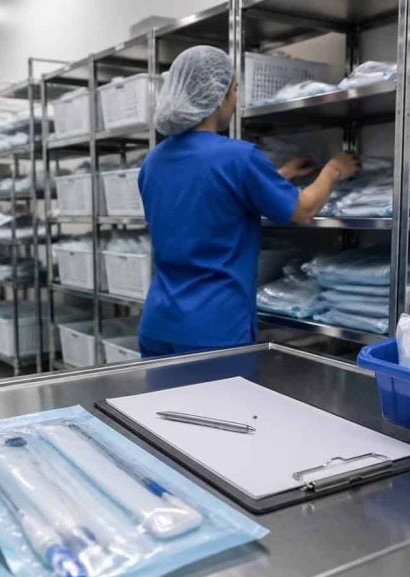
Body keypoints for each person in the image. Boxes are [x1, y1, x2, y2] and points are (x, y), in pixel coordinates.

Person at [138, 46, 360, 358]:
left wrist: (277, 175)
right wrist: (334, 168)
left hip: (159, 323)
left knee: (156, 407)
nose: (236, 99)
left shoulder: (153, 161)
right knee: (217, 409)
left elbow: (208, 198)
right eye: (235, 89)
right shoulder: (239, 156)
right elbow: (303, 209)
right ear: (218, 96)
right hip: (214, 327)